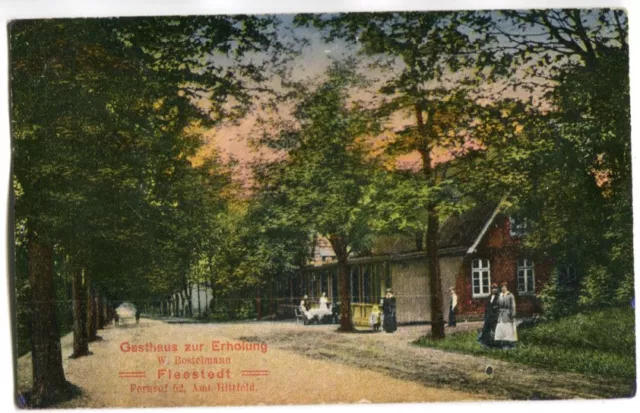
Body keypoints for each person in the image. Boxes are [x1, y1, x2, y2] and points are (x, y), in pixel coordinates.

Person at [494, 282, 518, 348]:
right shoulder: (500, 295)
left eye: (504, 287)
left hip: (507, 315)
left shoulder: (510, 295)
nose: (503, 288)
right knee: (500, 327)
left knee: (507, 329)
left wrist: (513, 314)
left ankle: (509, 344)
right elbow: (497, 305)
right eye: (502, 287)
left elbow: (513, 306)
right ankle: (502, 343)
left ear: (507, 288)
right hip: (500, 315)